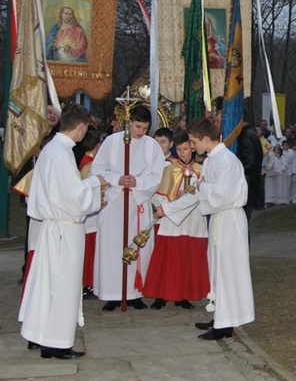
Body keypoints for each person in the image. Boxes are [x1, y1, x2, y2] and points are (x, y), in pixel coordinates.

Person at [19, 104, 108, 360]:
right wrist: (95, 182)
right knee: (63, 286)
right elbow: (73, 197)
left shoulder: (52, 150)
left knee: (49, 285)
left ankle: (42, 336)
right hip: (64, 230)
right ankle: (56, 343)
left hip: (54, 228)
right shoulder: (61, 155)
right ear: (81, 128)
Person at [163, 117, 253, 340]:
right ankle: (221, 316)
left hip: (230, 220)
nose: (192, 147)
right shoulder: (212, 160)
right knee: (217, 269)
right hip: (218, 220)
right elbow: (199, 191)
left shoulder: (227, 161)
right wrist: (168, 208)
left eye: (194, 142)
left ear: (205, 138)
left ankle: (225, 325)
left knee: (228, 270)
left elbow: (222, 195)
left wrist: (203, 187)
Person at [91, 105, 166, 311]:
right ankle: (112, 293)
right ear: (129, 122)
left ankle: (135, 294)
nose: (140, 132)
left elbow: (157, 176)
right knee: (112, 247)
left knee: (136, 247)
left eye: (145, 127)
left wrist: (137, 183)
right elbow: (97, 169)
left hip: (136, 203)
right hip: (115, 202)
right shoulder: (112, 142)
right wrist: (117, 179)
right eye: (137, 126)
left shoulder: (152, 146)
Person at [143, 131, 209, 309]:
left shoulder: (202, 170)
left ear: (192, 149)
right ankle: (161, 295)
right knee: (168, 258)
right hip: (172, 220)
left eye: (186, 149)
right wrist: (167, 203)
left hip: (193, 220)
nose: (182, 153)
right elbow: (159, 194)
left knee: (187, 257)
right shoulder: (169, 169)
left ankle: (183, 295)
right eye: (179, 149)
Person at [78, 127, 102, 298]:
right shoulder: (90, 165)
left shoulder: (84, 161)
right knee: (90, 250)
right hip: (91, 216)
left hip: (89, 215)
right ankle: (88, 283)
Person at [235, 101, 263, 220]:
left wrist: (234, 172)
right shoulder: (246, 134)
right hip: (247, 184)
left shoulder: (246, 135)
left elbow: (251, 162)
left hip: (247, 185)